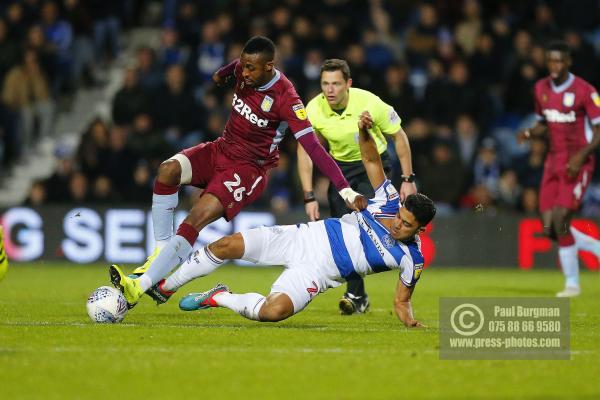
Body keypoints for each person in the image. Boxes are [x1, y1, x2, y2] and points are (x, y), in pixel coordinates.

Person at [108, 36, 363, 307]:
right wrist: (221, 76)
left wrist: (344, 188)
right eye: (243, 66)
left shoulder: (286, 98)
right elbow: (222, 75)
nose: (245, 73)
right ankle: (161, 251)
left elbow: (313, 148)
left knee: (196, 217)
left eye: (251, 68)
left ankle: (139, 286)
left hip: (248, 169)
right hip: (221, 149)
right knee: (168, 171)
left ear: (269, 66)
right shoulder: (243, 70)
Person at [130, 111, 435, 326]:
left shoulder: (413, 258)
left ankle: (219, 297)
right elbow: (370, 159)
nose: (398, 224)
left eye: (406, 225)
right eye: (400, 217)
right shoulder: (390, 200)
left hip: (319, 273)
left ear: (420, 229)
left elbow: (401, 300)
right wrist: (365, 130)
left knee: (273, 312)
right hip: (305, 237)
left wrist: (410, 323)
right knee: (226, 246)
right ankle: (166, 286)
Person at [297, 59, 417, 314]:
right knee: (343, 233)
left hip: (373, 165)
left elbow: (399, 135)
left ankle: (409, 260)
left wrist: (408, 179)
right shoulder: (314, 109)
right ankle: (357, 294)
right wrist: (309, 195)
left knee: (367, 225)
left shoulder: (370, 103)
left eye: (336, 84)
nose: (329, 90)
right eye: (325, 84)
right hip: (339, 172)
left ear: (348, 84)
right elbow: (305, 150)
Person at [518, 41, 600, 297]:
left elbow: (599, 131)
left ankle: (572, 283)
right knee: (548, 228)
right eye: (551, 61)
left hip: (577, 161)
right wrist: (531, 132)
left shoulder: (585, 91)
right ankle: (593, 245)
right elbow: (545, 122)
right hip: (553, 160)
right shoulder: (540, 88)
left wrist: (581, 156)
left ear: (568, 62)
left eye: (560, 61)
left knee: (562, 218)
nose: (555, 65)